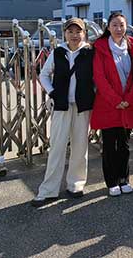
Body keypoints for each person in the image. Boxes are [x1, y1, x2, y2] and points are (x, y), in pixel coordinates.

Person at [31, 17, 95, 207]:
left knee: (80, 147)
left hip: (82, 107)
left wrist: (92, 95)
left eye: (78, 31)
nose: (74, 35)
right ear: (65, 33)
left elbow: (97, 77)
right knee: (57, 148)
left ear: (84, 33)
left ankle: (76, 185)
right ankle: (48, 190)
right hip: (61, 106)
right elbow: (43, 75)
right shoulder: (58, 52)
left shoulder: (90, 53)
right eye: (70, 31)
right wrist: (53, 93)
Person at [91, 12, 133, 197]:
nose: (118, 29)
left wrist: (129, 98)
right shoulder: (101, 47)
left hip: (128, 104)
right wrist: (116, 100)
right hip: (108, 105)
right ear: (108, 27)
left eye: (121, 25)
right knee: (110, 146)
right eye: (114, 25)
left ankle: (124, 179)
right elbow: (99, 77)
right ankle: (111, 181)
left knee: (124, 145)